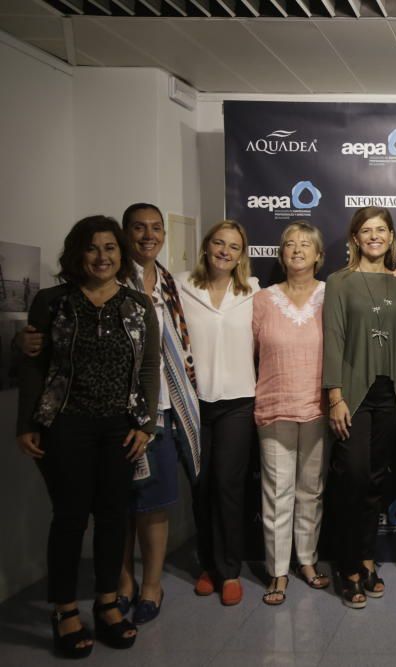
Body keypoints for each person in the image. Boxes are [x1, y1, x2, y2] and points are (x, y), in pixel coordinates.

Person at [17, 215, 158, 657]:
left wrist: (145, 423)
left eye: (111, 248)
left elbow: (149, 369)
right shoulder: (52, 302)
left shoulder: (138, 304)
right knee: (71, 518)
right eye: (93, 248)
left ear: (121, 253)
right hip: (65, 424)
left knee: (114, 518)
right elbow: (34, 366)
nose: (102, 257)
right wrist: (26, 423)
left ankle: (107, 604)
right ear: (78, 253)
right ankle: (64, 610)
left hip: (121, 427)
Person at [116, 203, 201, 624]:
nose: (148, 235)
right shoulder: (111, 280)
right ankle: (123, 582)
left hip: (164, 411)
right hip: (119, 414)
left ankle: (151, 584)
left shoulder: (169, 282)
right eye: (138, 228)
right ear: (125, 231)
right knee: (118, 502)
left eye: (156, 228)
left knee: (155, 502)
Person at [324, 207, 396, 609]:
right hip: (353, 394)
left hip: (392, 394)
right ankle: (348, 565)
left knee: (375, 480)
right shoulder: (338, 282)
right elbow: (334, 339)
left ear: (391, 237)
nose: (374, 236)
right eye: (366, 231)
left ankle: (368, 555)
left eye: (381, 230)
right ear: (354, 238)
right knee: (352, 478)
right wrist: (334, 396)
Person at [177, 220, 260, 606]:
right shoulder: (180, 287)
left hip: (239, 403)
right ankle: (208, 566)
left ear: (242, 255)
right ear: (206, 247)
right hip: (194, 404)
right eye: (219, 243)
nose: (225, 251)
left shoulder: (254, 292)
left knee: (228, 486)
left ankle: (229, 571)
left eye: (234, 246)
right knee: (201, 486)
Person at [253, 221, 329, 606]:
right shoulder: (262, 299)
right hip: (275, 406)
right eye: (290, 244)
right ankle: (278, 571)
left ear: (319, 255)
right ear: (281, 255)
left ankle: (308, 562)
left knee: (310, 492)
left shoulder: (331, 296)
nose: (297, 249)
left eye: (306, 244)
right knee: (277, 494)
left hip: (318, 409)